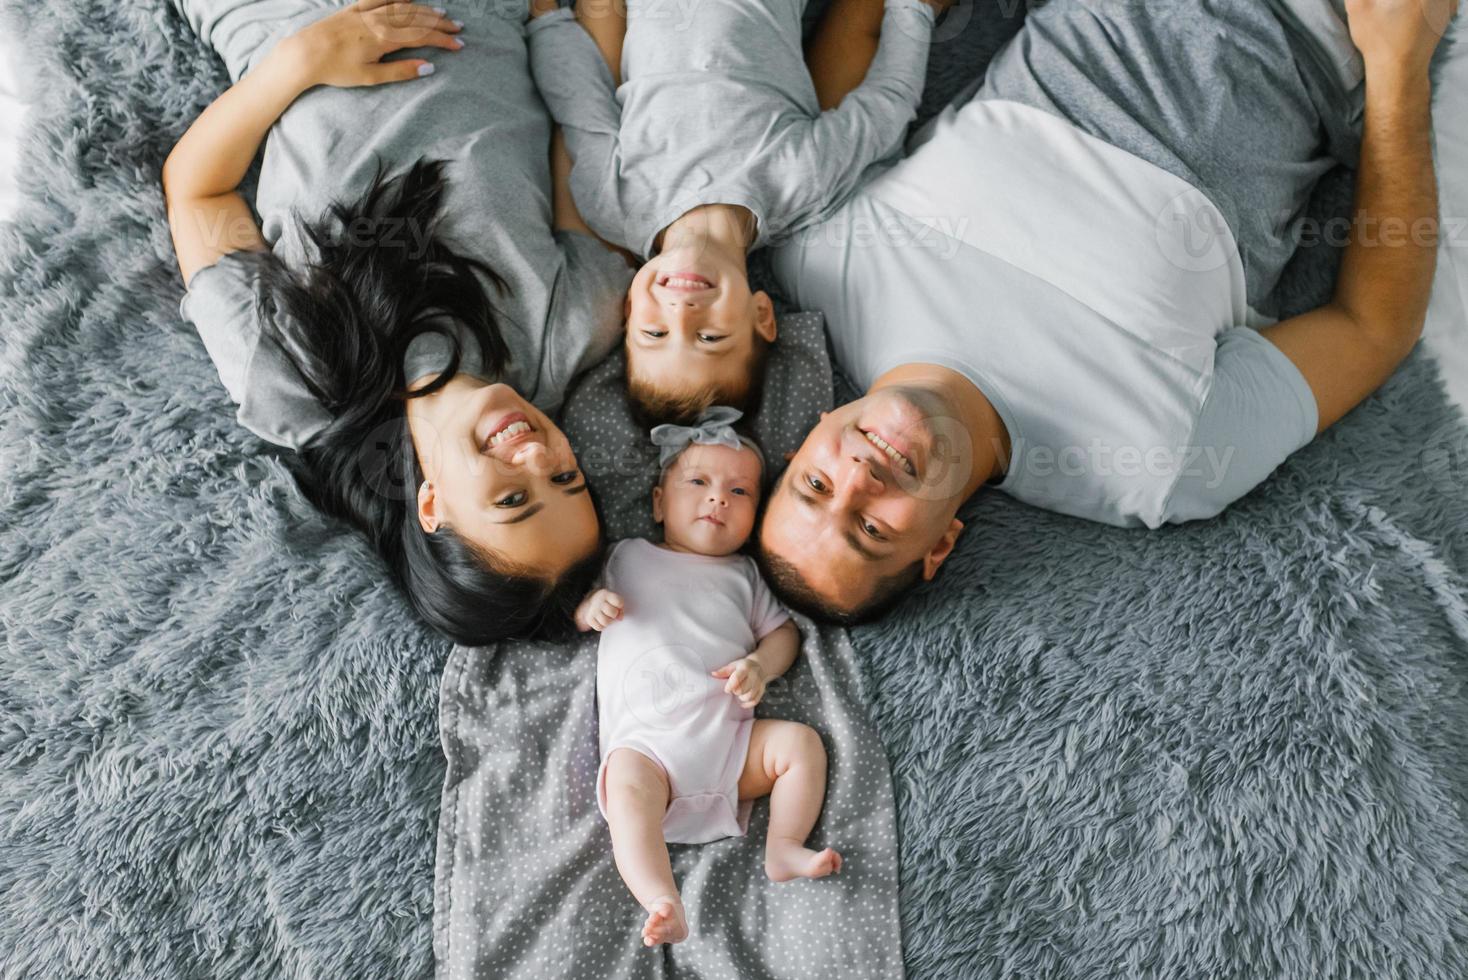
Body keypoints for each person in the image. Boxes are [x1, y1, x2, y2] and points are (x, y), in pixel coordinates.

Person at [756, 0, 1460, 622]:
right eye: (873, 530)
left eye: (816, 484)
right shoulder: (1156, 467)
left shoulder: (822, 260)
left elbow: (872, 25)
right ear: (941, 545)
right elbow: (1373, 327)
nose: (859, 480)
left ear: (806, 438)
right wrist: (1399, 68)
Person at [163, 0, 635, 642]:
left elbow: (196, 191)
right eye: (564, 477)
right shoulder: (570, 329)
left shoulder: (291, 385)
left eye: (513, 498)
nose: (534, 454)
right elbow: (579, 137)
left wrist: (298, 62)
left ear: (433, 506)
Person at [525, 0, 940, 423]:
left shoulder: (613, 204)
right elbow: (888, 103)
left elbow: (579, 99)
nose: (682, 314)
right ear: (762, 315)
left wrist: (545, 20)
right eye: (710, 336)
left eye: (655, 333)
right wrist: (914, 11)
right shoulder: (798, 185)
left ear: (629, 311)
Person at [575, 409, 837, 947]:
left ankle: (784, 846)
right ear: (657, 501)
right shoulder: (626, 557)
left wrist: (760, 665)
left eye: (740, 492)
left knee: (800, 745)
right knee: (624, 789)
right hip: (650, 754)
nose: (718, 498)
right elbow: (571, 606)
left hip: (732, 749)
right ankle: (660, 897)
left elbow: (783, 635)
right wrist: (589, 608)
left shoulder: (745, 577)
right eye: (698, 482)